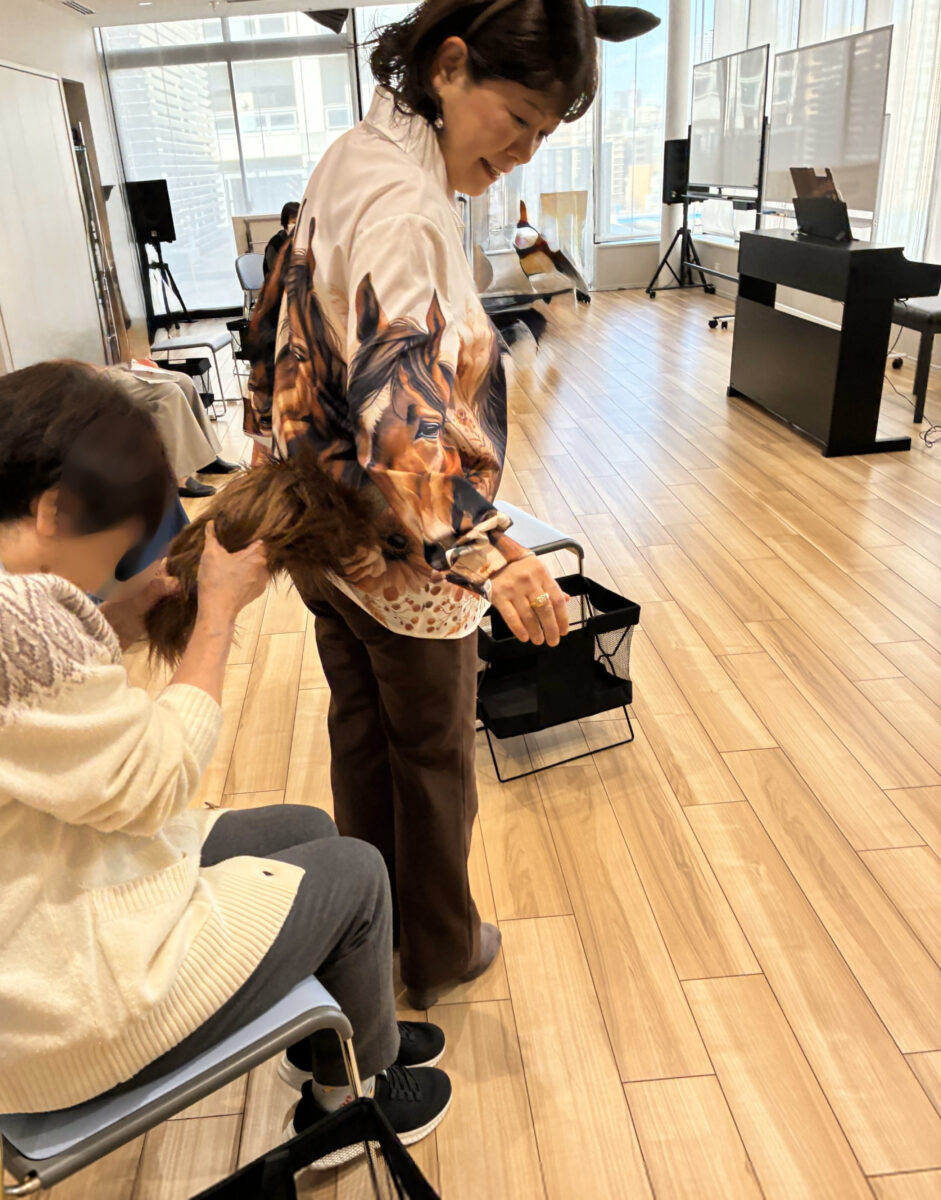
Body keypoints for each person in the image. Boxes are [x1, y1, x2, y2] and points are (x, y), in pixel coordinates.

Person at [249, 0, 658, 1009]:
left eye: (542, 135)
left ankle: (370, 932)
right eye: (515, 119)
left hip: (325, 527)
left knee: (362, 732)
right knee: (431, 755)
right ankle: (436, 953)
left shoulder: (353, 157)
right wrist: (494, 554)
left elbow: (280, 323)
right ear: (448, 66)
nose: (520, 154)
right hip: (402, 550)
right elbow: (401, 422)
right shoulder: (408, 206)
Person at [0, 361, 451, 1153]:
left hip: (46, 907)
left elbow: (37, 721)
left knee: (305, 827)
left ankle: (332, 1039)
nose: (113, 570)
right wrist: (215, 616)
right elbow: (152, 784)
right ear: (54, 509)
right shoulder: (20, 618)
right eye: (115, 547)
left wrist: (112, 623)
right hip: (60, 1011)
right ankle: (349, 1104)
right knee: (356, 875)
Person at [104, 361, 240, 498]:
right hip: (97, 377)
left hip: (111, 368)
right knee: (168, 392)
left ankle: (206, 458)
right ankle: (178, 476)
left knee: (185, 382)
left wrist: (138, 361)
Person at [263, 201, 300, 277]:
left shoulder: (304, 240)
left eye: (300, 222)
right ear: (286, 223)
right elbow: (275, 275)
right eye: (294, 222)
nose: (298, 226)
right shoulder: (276, 243)